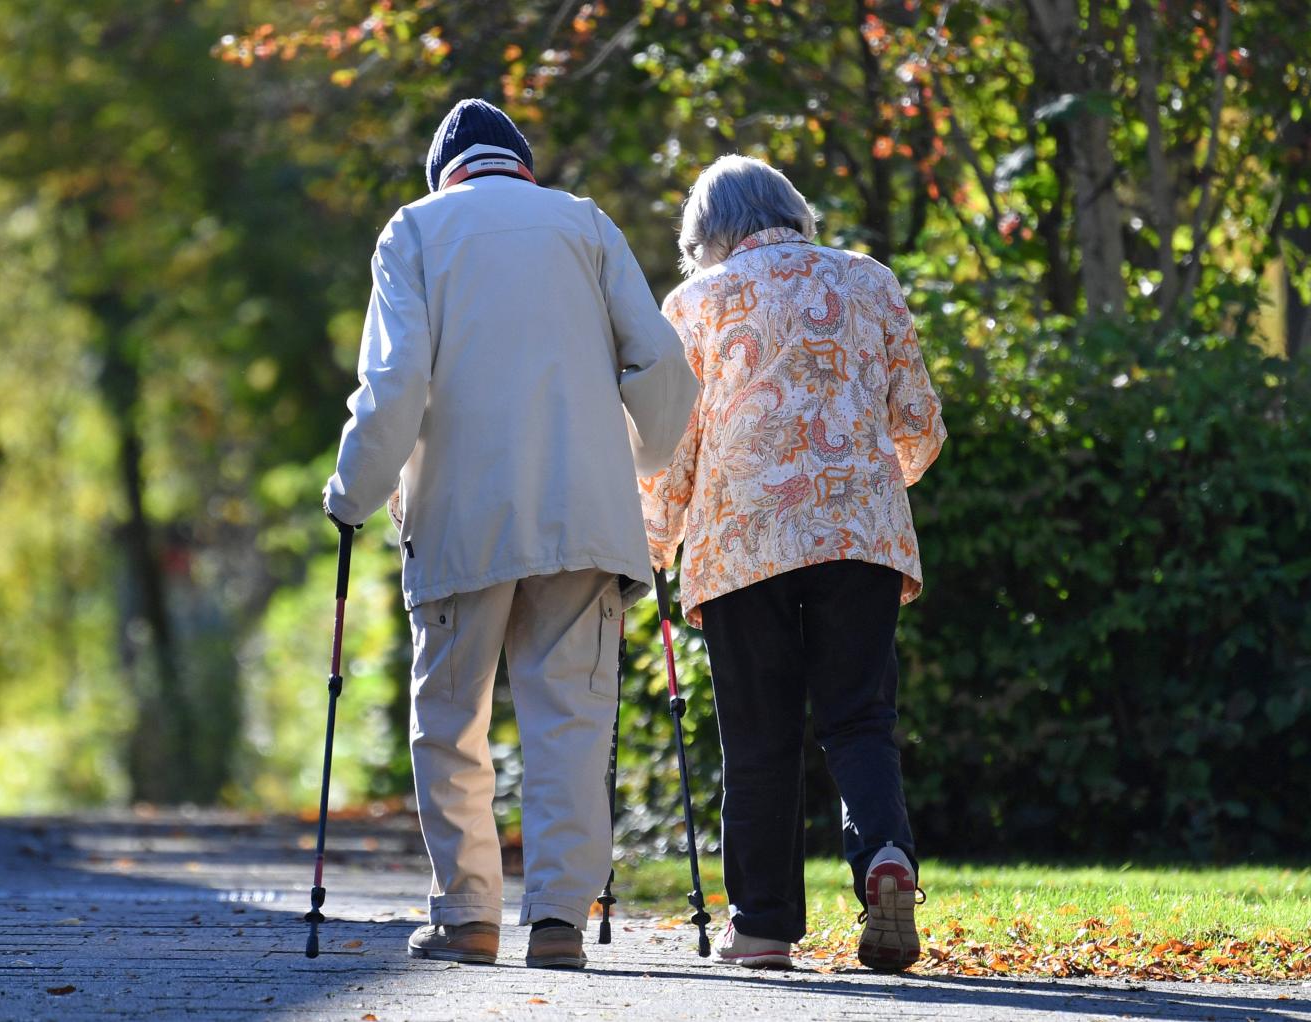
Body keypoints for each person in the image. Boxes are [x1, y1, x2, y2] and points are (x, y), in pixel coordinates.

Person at [323, 99, 697, 970]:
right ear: (520, 165)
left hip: (463, 517)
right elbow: (662, 362)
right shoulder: (586, 224)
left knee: (451, 720)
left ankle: (469, 917)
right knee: (571, 716)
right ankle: (560, 920)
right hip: (584, 514)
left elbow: (394, 382)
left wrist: (352, 494)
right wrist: (640, 460)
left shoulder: (414, 232)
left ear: (444, 176)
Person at [639, 154, 946, 972]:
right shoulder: (868, 281)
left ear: (706, 236)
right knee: (858, 719)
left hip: (743, 540)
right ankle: (884, 856)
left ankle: (764, 929)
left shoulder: (696, 301)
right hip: (861, 536)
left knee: (759, 735)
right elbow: (918, 420)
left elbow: (674, 446)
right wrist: (872, 483)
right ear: (793, 213)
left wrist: (654, 540)